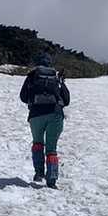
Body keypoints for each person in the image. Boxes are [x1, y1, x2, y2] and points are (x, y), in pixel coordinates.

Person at [19, 52, 70, 187]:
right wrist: (61, 83)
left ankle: (39, 172)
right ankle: (51, 180)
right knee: (51, 149)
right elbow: (66, 100)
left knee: (38, 143)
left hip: (36, 115)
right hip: (55, 114)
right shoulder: (56, 77)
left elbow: (23, 97)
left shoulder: (32, 76)